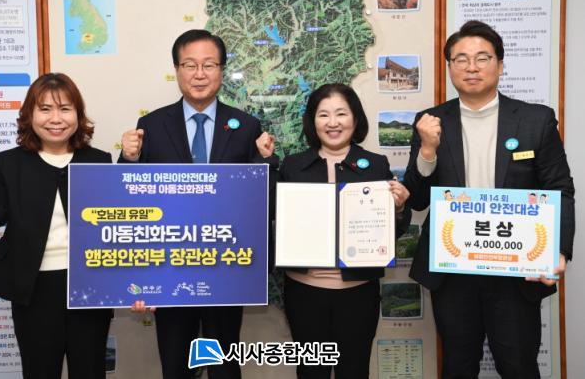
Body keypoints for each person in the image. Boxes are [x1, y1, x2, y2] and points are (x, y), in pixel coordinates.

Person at [404, 20, 575, 378]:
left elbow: (560, 188)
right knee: (457, 366)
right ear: (449, 66)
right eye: (461, 59)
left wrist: (557, 251)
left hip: (515, 268)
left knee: (519, 366)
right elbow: (416, 200)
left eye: (482, 58)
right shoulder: (430, 122)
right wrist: (428, 150)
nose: (472, 67)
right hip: (453, 269)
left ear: (500, 64)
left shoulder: (535, 120)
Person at [120, 29, 275, 379]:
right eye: (190, 65)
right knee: (175, 363)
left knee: (224, 365)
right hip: (171, 265)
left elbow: (258, 201)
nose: (199, 74)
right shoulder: (151, 125)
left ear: (222, 70)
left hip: (227, 266)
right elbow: (130, 195)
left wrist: (266, 162)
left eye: (209, 65)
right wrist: (128, 159)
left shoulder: (246, 126)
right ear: (177, 70)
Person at [0, 73, 113, 379]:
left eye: (65, 109)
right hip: (33, 289)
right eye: (45, 109)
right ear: (29, 115)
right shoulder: (9, 162)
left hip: (89, 286)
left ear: (78, 115)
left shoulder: (99, 160)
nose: (55, 119)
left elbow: (116, 226)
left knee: (90, 370)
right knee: (39, 371)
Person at [277, 83, 411, 379]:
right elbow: (278, 222)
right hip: (304, 292)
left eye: (341, 113)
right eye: (323, 115)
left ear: (355, 118)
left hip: (358, 293)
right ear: (313, 121)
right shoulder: (293, 166)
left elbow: (392, 232)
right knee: (311, 372)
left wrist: (399, 208)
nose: (333, 122)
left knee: (354, 370)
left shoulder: (375, 165)